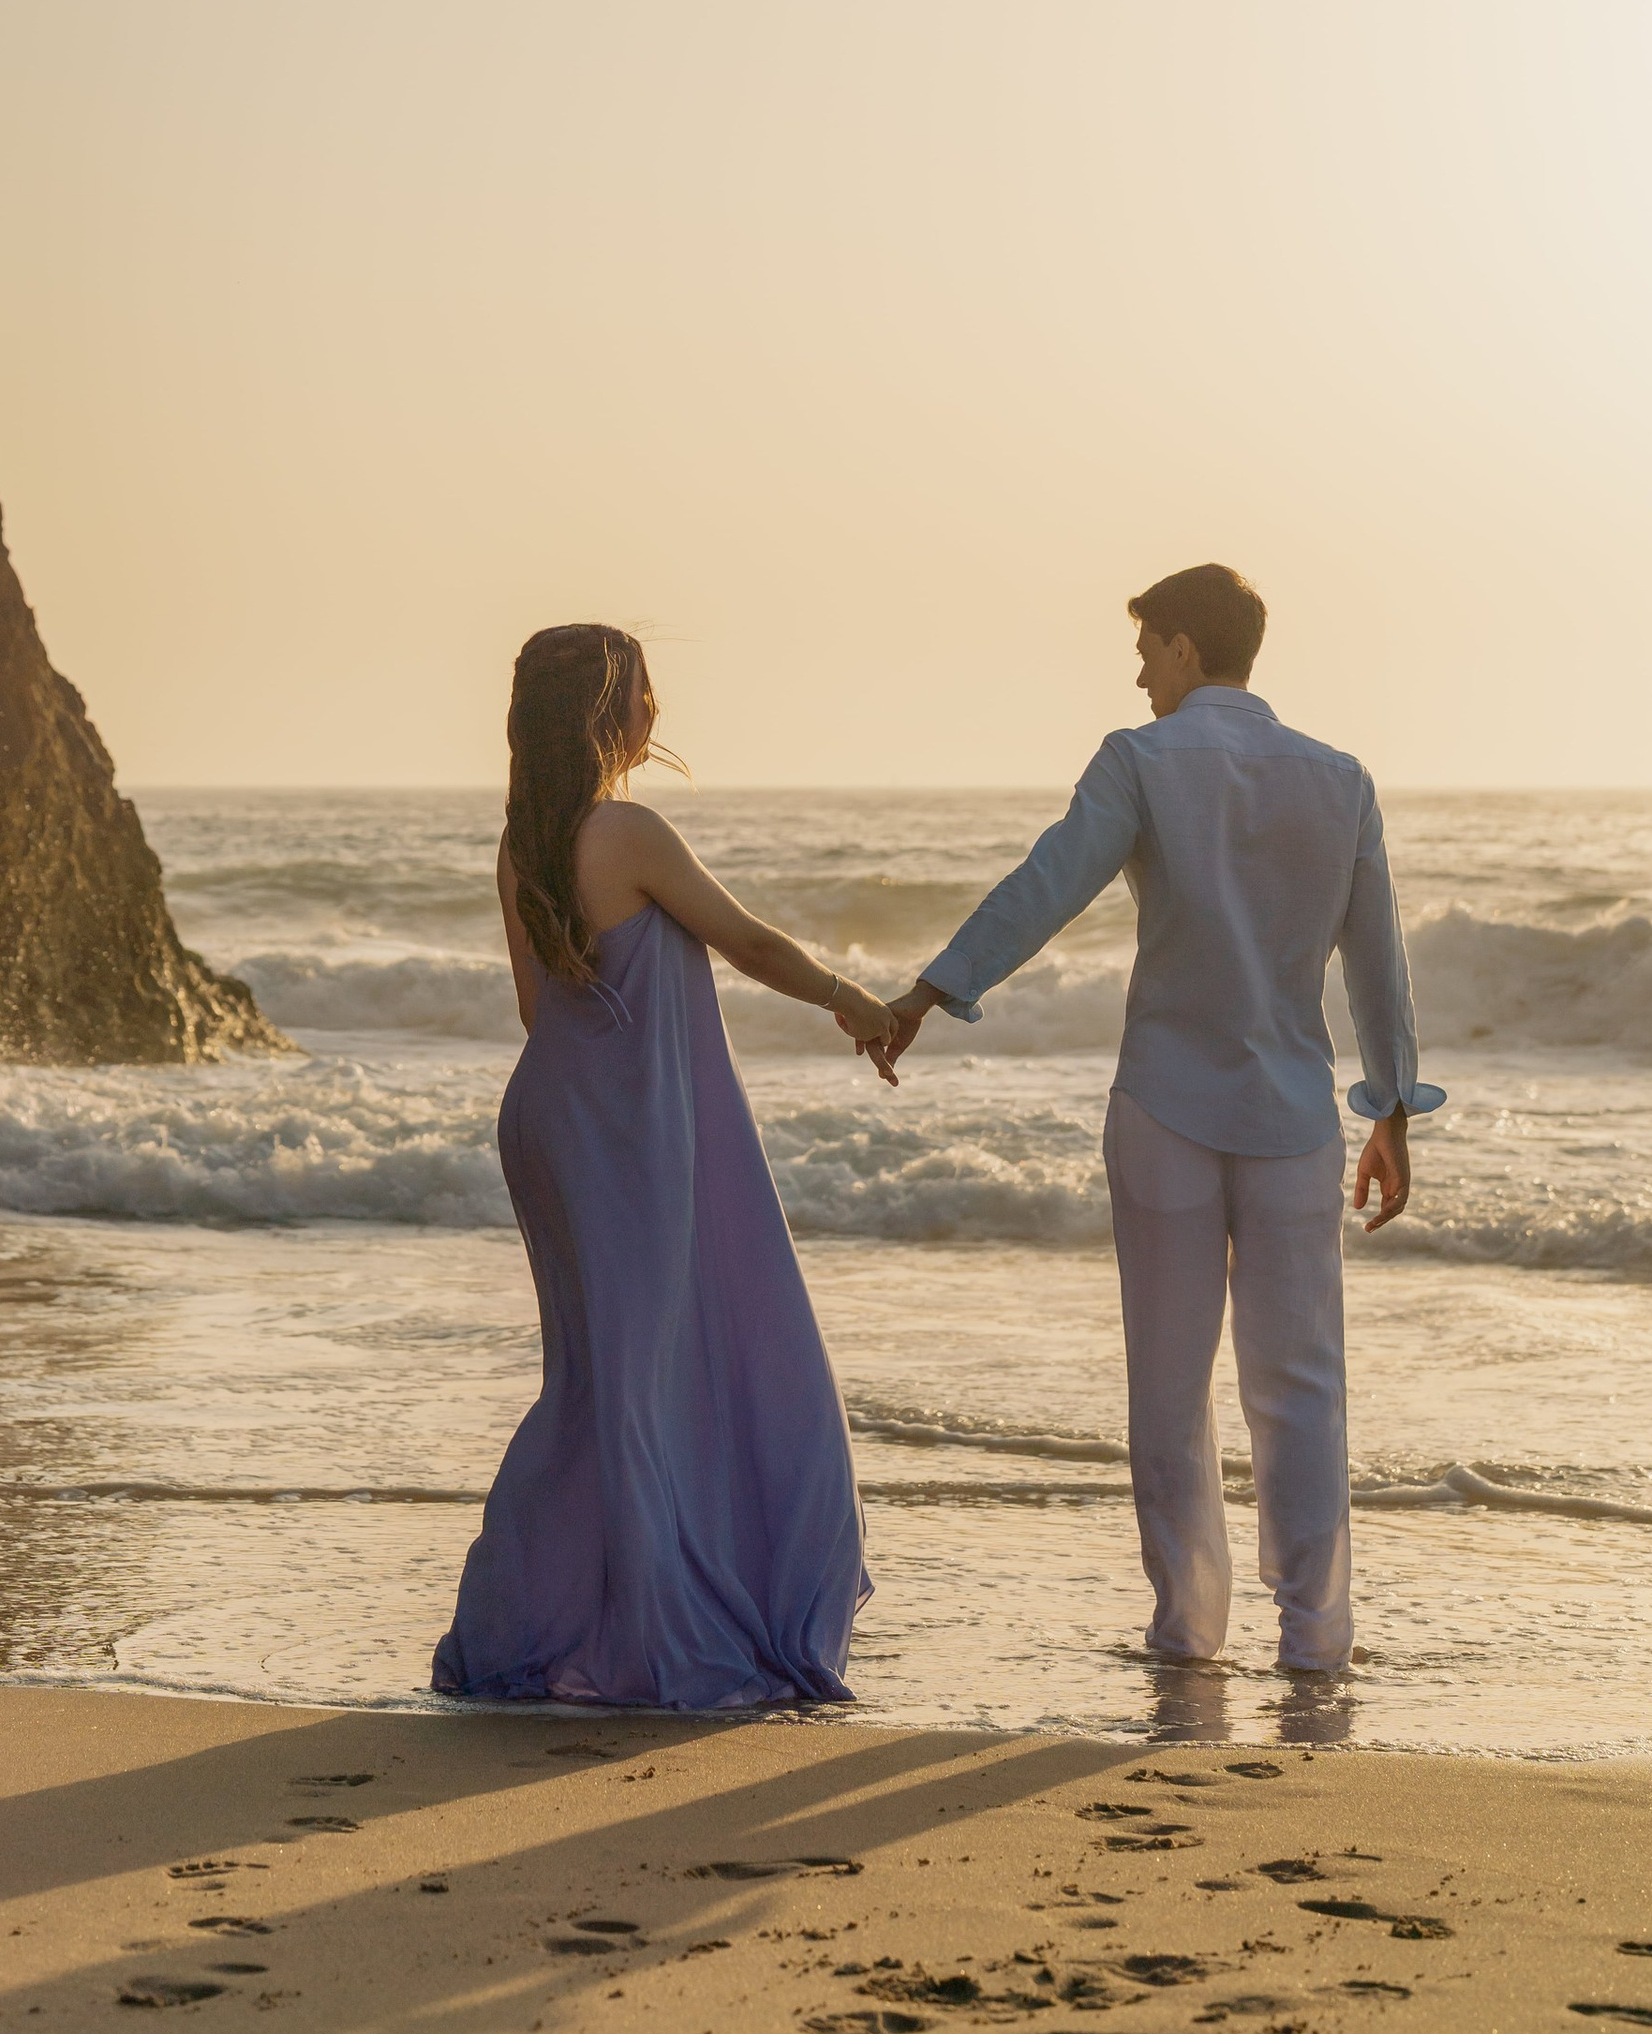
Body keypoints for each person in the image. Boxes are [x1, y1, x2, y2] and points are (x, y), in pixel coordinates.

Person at [873, 564, 1441, 1676]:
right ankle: (1316, 1637)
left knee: (1169, 1381)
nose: (1137, 674)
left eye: (1146, 649)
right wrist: (1389, 1109)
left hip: (1166, 1108)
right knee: (1302, 1382)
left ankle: (1188, 1630)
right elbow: (1376, 960)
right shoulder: (1340, 778)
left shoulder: (1140, 758)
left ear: (1185, 647)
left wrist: (928, 993)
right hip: (1292, 1112)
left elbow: (1047, 884)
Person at [434, 622, 892, 1709]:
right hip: (629, 1133)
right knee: (670, 1378)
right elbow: (750, 942)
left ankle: (562, 1624)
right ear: (605, 710)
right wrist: (856, 1002)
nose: (658, 709)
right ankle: (650, 1637)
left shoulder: (521, 844)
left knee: (603, 1384)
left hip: (555, 1122)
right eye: (645, 689)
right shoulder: (627, 832)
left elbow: (535, 1010)